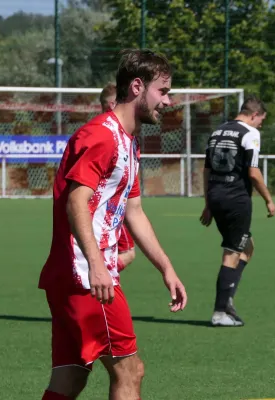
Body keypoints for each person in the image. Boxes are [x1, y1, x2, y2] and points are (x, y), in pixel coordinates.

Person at [39, 49, 188, 400]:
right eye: (163, 91)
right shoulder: (102, 136)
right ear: (137, 86)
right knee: (130, 370)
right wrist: (96, 266)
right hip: (88, 276)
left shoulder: (126, 141)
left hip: (77, 274)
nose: (168, 101)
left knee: (71, 376)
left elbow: (134, 211)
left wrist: (166, 268)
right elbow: (76, 200)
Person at [199, 95, 275, 327]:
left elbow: (206, 170)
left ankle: (229, 296)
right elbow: (253, 173)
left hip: (216, 195)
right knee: (232, 253)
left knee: (247, 246)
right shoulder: (250, 133)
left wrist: (208, 203)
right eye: (261, 119)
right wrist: (269, 200)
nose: (260, 124)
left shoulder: (218, 131)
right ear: (253, 115)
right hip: (236, 199)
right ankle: (220, 311)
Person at [99, 82, 136, 272]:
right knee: (128, 253)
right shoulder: (106, 137)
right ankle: (99, 274)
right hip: (106, 214)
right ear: (112, 105)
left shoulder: (127, 139)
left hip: (111, 213)